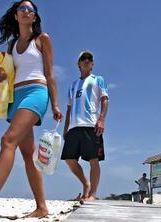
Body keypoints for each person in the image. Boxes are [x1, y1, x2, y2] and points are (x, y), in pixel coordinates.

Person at [0, 0, 62, 218]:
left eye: (30, 10)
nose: (26, 11)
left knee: (8, 141)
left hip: (36, 93)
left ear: (34, 17)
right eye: (22, 9)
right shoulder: (11, 46)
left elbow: (50, 73)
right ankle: (42, 207)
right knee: (27, 154)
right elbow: (6, 75)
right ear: (16, 16)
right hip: (16, 97)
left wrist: (55, 104)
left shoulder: (42, 39)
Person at [61, 51, 109, 202]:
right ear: (79, 64)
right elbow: (69, 108)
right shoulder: (73, 85)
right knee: (69, 159)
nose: (87, 60)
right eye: (84, 58)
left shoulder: (98, 80)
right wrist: (66, 128)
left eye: (90, 59)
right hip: (74, 127)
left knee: (93, 160)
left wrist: (101, 119)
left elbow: (105, 100)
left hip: (91, 125)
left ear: (92, 64)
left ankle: (92, 194)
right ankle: (86, 184)